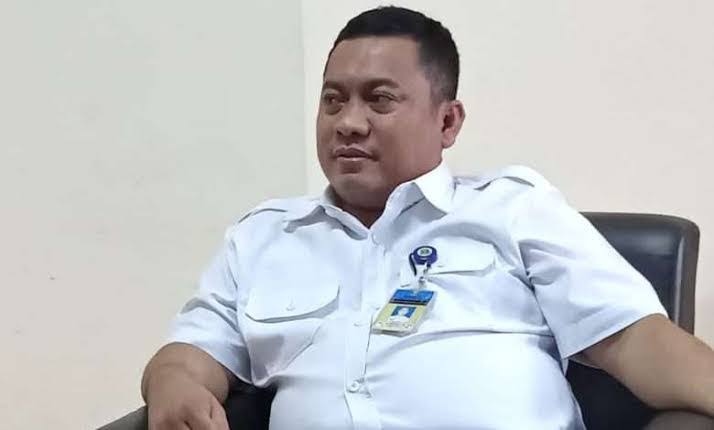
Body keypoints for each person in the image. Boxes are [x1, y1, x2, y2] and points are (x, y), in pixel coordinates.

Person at [141, 6, 714, 430]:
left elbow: (637, 341)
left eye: (380, 99)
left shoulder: (513, 207)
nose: (348, 123)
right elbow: (192, 353)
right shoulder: (264, 236)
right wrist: (171, 383)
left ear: (447, 122)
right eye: (333, 100)